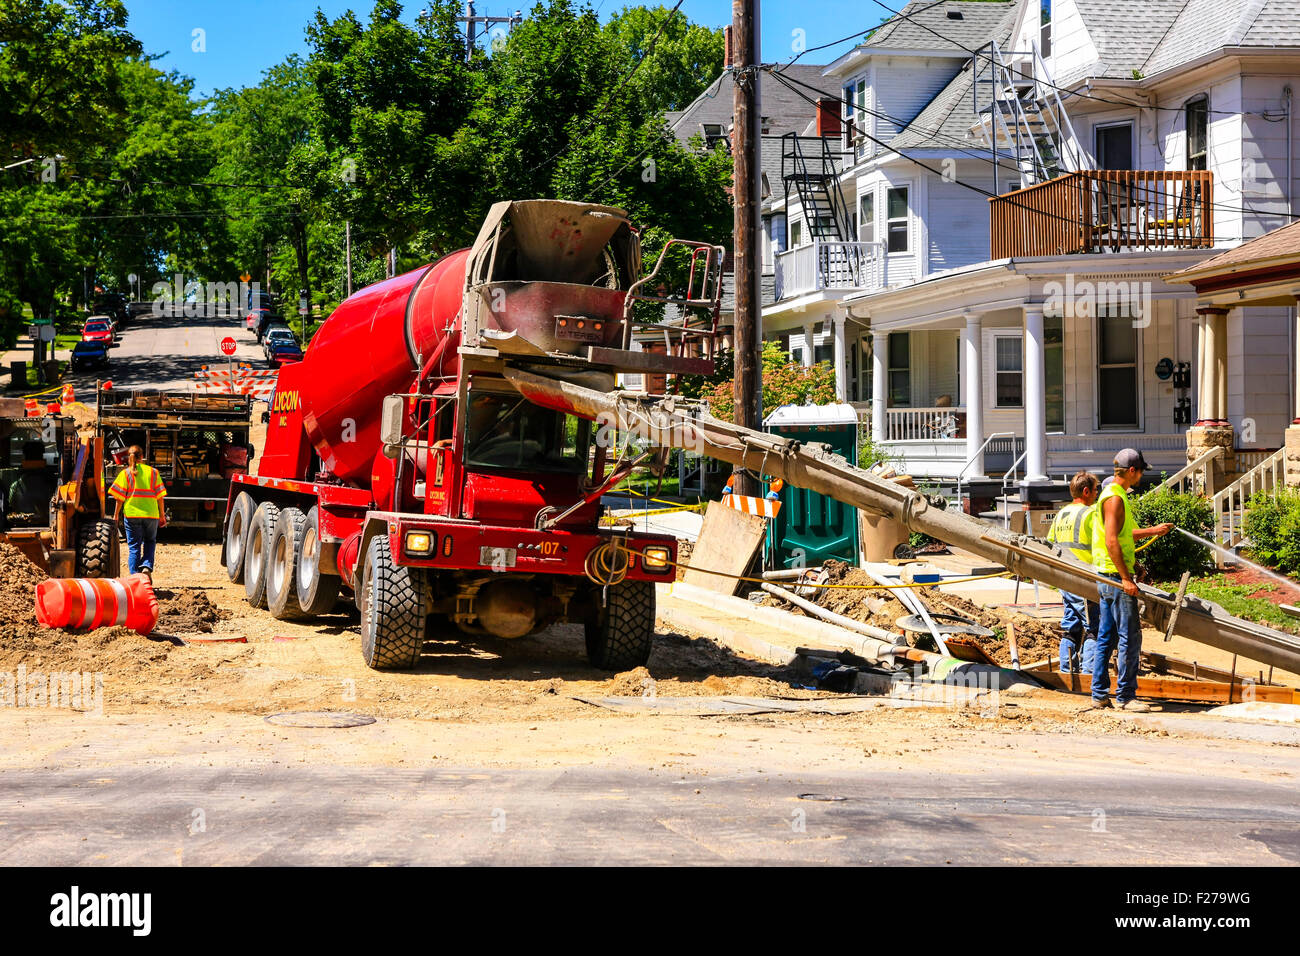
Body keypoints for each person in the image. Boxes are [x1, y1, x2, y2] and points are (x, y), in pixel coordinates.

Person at [1089, 449, 1173, 712]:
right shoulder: (1114, 498)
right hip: (1115, 578)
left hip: (1107, 573)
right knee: (1130, 636)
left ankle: (1099, 694)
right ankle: (1126, 696)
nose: (1141, 476)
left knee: (1107, 635)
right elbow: (1111, 540)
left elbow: (1123, 535)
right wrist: (1126, 577)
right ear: (1133, 471)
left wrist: (1151, 533)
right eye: (1141, 471)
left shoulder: (1111, 494)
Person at [1047, 471, 1100, 674]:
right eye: (1095, 490)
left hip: (1065, 580)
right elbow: (1104, 543)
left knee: (1071, 627)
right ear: (1086, 491)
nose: (1096, 494)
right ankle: (1088, 674)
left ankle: (1067, 670)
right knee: (1094, 628)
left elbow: (1051, 543)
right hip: (1084, 580)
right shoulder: (1090, 514)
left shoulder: (1061, 514)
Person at [109, 445, 167, 578]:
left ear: (128, 457)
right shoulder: (153, 472)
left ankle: (135, 577)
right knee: (150, 541)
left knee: (134, 546)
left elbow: (119, 498)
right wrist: (162, 515)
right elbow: (160, 497)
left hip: (132, 515)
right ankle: (146, 566)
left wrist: (116, 515)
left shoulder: (125, 473)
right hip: (151, 515)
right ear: (142, 457)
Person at [5, 440, 58, 527]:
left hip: (19, 524)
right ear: (42, 455)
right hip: (48, 523)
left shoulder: (16, 485)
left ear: (24, 456)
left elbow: (12, 503)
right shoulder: (53, 482)